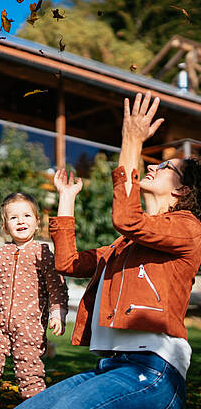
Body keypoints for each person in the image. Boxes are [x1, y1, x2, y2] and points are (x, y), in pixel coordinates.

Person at [16, 91, 201, 409]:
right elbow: (68, 263)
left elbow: (127, 218)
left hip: (153, 370)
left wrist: (132, 141)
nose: (154, 166)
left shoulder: (189, 228)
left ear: (182, 189)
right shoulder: (127, 245)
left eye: (167, 166)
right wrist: (67, 197)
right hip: (111, 366)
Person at [0, 192, 69, 408]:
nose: (20, 221)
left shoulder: (43, 254)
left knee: (29, 368)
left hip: (30, 323)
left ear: (37, 222)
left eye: (26, 216)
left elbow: (57, 286)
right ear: (5, 226)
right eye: (13, 217)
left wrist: (57, 311)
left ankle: (34, 402)